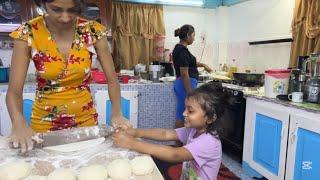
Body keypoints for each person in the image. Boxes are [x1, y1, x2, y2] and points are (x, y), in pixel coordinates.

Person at [6, 0, 130, 153]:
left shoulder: (92, 31)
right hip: (45, 124)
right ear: (43, 4)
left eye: (72, 10)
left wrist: (117, 114)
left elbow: (112, 81)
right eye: (56, 9)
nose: (65, 17)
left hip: (86, 123)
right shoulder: (29, 32)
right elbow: (13, 93)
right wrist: (18, 123)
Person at [112, 83, 228, 180]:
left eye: (190, 111)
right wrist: (136, 133)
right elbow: (166, 133)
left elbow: (174, 154)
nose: (184, 113)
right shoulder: (194, 130)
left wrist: (132, 143)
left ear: (210, 118)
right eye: (185, 108)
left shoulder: (209, 142)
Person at [172, 24, 213, 128]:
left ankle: (180, 141)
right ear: (187, 35)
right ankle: (178, 142)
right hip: (185, 84)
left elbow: (189, 63)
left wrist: (203, 65)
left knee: (183, 112)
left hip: (184, 83)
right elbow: (184, 74)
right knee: (183, 114)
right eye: (193, 36)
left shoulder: (181, 49)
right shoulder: (182, 51)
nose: (194, 39)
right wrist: (190, 93)